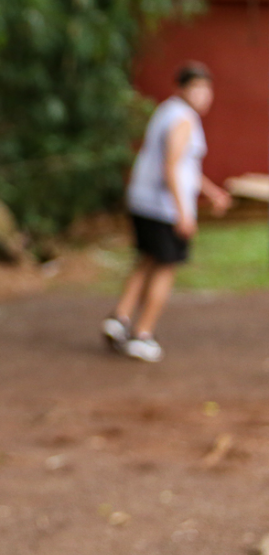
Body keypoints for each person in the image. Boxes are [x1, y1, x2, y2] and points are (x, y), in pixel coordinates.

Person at [102, 61, 231, 362]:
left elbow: (185, 166)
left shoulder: (166, 111)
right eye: (197, 88)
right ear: (182, 89)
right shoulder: (184, 118)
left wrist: (211, 192)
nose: (203, 95)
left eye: (206, 88)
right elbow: (172, 165)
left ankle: (118, 319)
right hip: (163, 207)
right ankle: (142, 334)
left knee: (146, 259)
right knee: (165, 267)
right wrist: (183, 212)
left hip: (142, 199)